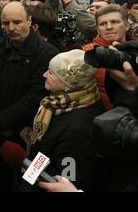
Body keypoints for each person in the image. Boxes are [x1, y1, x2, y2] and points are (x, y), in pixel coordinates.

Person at [0, 1, 58, 191]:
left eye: (17, 22)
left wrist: (1, 121)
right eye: (5, 23)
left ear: (30, 21)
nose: (11, 28)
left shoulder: (46, 54)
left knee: (27, 186)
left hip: (26, 138)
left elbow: (37, 95)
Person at [19, 49, 104, 192]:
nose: (44, 74)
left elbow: (68, 179)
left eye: (51, 73)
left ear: (68, 84)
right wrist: (31, 169)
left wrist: (33, 172)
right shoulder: (57, 103)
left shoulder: (79, 129)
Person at [82, 4, 130, 110]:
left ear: (127, 26)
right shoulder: (86, 52)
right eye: (103, 24)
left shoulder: (134, 51)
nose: (109, 27)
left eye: (115, 22)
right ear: (98, 30)